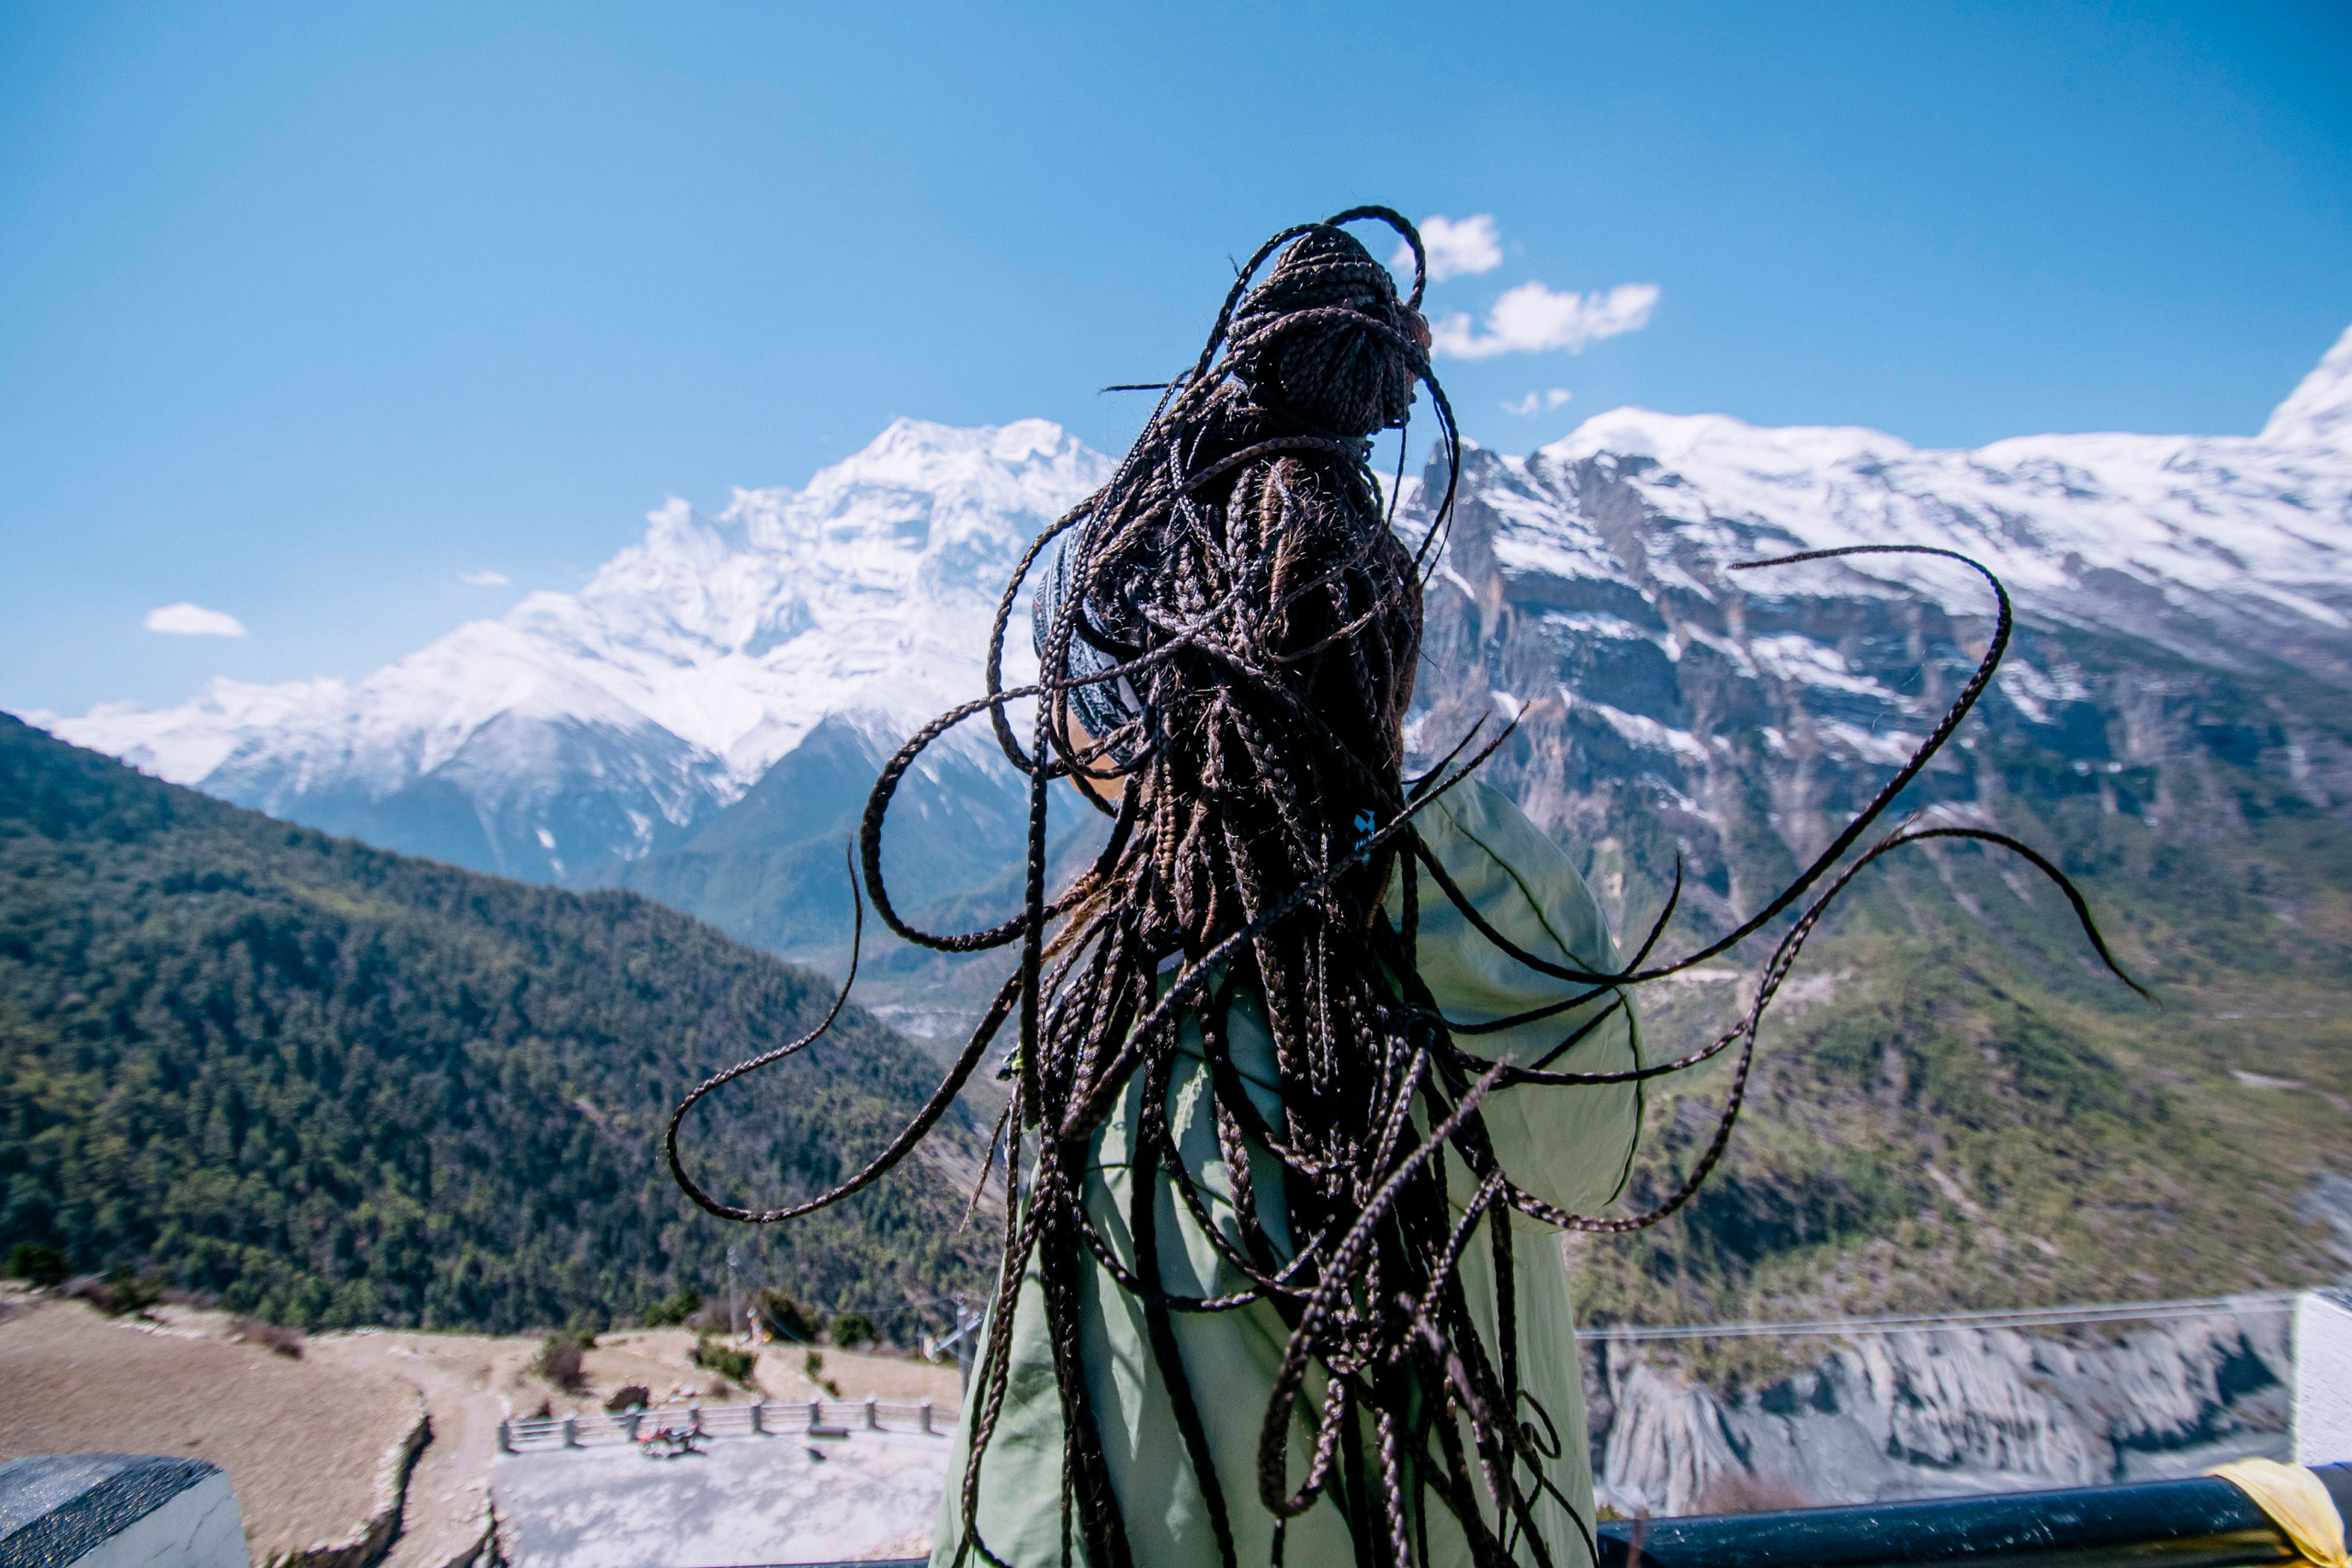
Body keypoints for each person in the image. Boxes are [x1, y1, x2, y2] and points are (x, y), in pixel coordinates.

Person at [666, 208, 2143, 1568]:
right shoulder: (1477, 915)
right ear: (1387, 646)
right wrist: (1389, 812)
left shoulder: (1108, 974)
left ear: (1161, 666)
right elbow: (1593, 1152)